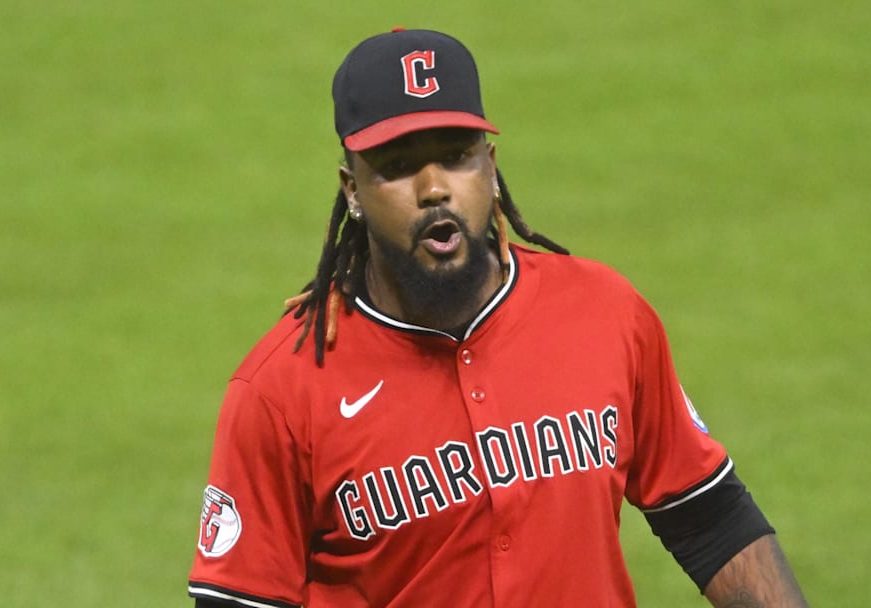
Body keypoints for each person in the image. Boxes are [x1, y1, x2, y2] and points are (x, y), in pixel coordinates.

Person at [187, 28, 809, 608]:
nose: (434, 188)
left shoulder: (605, 315)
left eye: (456, 155)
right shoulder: (283, 390)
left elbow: (711, 518)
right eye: (398, 166)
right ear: (352, 189)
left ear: (490, 161)